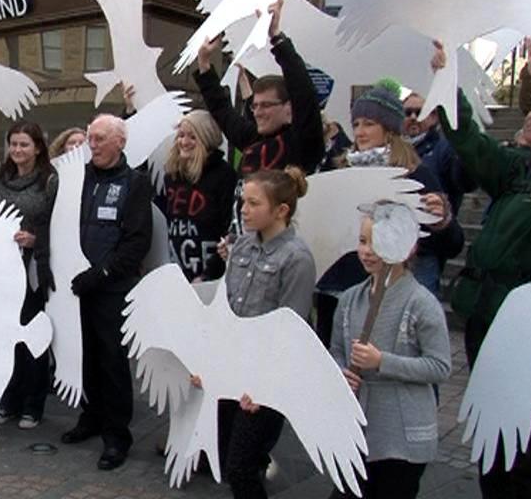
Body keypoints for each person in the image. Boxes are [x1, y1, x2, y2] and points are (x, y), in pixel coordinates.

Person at [437, 38, 531, 498]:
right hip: (489, 321)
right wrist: (447, 82)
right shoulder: (522, 171)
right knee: (494, 434)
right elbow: (472, 144)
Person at [314, 81, 465, 347]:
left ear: (390, 128)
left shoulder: (414, 174)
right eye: (357, 123)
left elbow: (450, 244)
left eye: (369, 124)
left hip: (388, 290)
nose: (360, 131)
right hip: (336, 286)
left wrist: (442, 220)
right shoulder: (340, 168)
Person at [328, 202, 451, 499]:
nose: (367, 250)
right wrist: (341, 374)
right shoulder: (348, 300)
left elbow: (440, 366)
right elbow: (336, 351)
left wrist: (382, 361)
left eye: (377, 242)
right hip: (359, 429)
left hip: (402, 437)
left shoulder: (421, 303)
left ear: (406, 249)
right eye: (362, 241)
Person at [209, 166, 316, 499]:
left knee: (241, 466)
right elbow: (227, 308)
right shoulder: (242, 246)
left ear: (281, 210)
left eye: (254, 203)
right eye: (243, 201)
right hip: (233, 369)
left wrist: (264, 387)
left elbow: (291, 330)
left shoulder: (296, 258)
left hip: (265, 378)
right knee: (233, 460)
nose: (244, 209)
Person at [61, 114, 153, 471]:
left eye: (99, 139)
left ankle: (117, 436)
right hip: (76, 286)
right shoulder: (77, 180)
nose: (92, 145)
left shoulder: (135, 183)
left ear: (120, 143)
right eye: (90, 138)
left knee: (112, 361)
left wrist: (100, 273)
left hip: (111, 286)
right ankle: (91, 417)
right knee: (83, 355)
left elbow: (136, 242)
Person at [195, 0, 324, 236]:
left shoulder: (301, 143)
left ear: (289, 109)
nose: (258, 112)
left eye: (266, 105)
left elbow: (303, 92)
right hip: (244, 248)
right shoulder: (252, 138)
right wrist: (204, 65)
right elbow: (222, 111)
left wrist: (277, 37)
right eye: (254, 106)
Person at [0, 120, 58, 430]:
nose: (18, 150)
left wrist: (36, 239)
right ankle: (8, 398)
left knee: (30, 336)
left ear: (37, 148)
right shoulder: (0, 178)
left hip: (32, 270)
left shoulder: (50, 182)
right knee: (4, 337)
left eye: (24, 144)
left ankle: (33, 403)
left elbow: (58, 225)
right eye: (13, 144)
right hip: (0, 271)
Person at [162, 109, 237, 281]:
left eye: (192, 137)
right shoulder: (172, 176)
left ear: (207, 139)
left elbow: (227, 227)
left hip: (211, 275)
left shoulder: (224, 175)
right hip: (177, 274)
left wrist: (209, 273)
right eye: (181, 135)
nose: (184, 142)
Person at [402, 92, 476, 216]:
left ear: (434, 117)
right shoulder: (391, 149)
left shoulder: (446, 148)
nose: (413, 117)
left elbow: (465, 181)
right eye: (407, 113)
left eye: (420, 112)